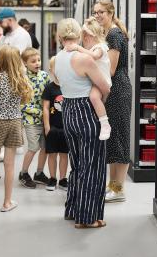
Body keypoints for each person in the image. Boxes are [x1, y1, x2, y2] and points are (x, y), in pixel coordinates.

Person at [54, 18, 111, 228]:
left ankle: (73, 209)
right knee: (93, 166)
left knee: (77, 164)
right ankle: (87, 218)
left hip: (68, 111)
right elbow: (105, 87)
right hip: (86, 111)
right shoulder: (84, 59)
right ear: (80, 35)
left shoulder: (57, 58)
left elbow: (60, 82)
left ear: (59, 37)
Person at [92, 0, 132, 203]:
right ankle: (112, 187)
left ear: (110, 12)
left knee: (120, 140)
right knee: (113, 141)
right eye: (95, 12)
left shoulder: (114, 34)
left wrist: (91, 73)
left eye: (101, 12)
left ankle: (118, 189)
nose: (97, 15)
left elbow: (112, 69)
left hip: (118, 90)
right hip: (112, 89)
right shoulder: (109, 33)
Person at [0, 46, 33, 212]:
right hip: (14, 122)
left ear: (1, 59)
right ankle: (7, 202)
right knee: (9, 164)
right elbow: (25, 99)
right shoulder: (21, 78)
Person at [64, 17, 112, 140]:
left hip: (101, 81)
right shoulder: (91, 48)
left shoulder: (101, 47)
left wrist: (77, 48)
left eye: (85, 38)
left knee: (94, 97)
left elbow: (95, 57)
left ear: (91, 37)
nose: (83, 41)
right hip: (94, 81)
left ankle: (105, 124)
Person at [18, 47, 51, 188]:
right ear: (25, 63)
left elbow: (49, 95)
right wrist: (39, 112)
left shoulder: (45, 76)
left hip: (45, 119)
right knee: (33, 147)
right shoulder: (22, 79)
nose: (37, 63)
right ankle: (23, 173)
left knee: (45, 147)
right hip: (30, 120)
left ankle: (39, 173)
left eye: (38, 60)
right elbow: (21, 104)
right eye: (33, 61)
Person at [42, 57, 69, 191]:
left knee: (64, 154)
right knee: (52, 154)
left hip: (67, 127)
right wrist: (47, 126)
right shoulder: (49, 88)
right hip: (52, 127)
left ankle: (63, 179)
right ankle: (52, 178)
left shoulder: (69, 86)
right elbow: (46, 108)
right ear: (51, 70)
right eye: (55, 69)